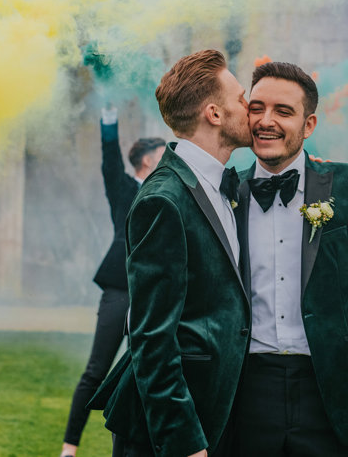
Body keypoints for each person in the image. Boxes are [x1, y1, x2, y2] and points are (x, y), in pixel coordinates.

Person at [233, 61, 348, 457]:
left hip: (334, 391)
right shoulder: (226, 190)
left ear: (309, 124)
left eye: (284, 111)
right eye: (257, 107)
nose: (267, 120)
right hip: (244, 396)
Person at [91, 49, 253, 457]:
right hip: (170, 433)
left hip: (215, 414)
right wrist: (184, 441)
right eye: (241, 98)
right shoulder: (163, 200)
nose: (249, 108)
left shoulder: (220, 185)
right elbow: (150, 337)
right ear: (214, 114)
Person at [60, 107, 165, 457]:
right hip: (119, 290)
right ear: (147, 161)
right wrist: (107, 112)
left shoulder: (170, 192)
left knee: (146, 374)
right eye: (164, 157)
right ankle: (69, 447)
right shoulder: (122, 188)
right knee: (96, 371)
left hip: (153, 295)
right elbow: (109, 159)